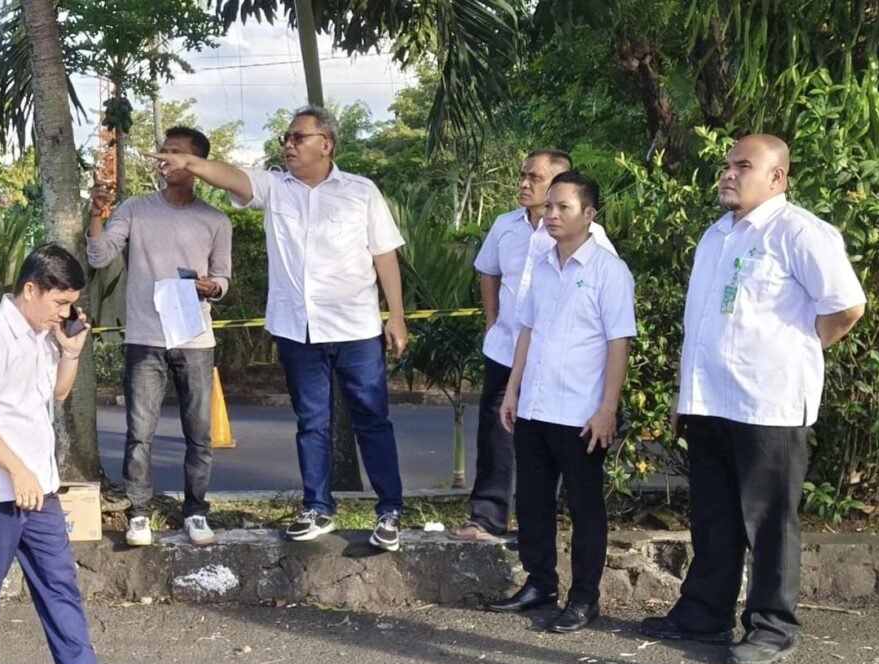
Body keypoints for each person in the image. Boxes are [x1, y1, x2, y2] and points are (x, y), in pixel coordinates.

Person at [640, 134, 866, 664]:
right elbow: (699, 325)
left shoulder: (801, 233)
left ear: (777, 178)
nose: (729, 174)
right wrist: (683, 394)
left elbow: (846, 307)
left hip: (770, 402)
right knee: (714, 515)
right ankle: (704, 612)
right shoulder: (715, 237)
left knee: (769, 520)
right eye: (726, 165)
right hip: (709, 400)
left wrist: (792, 351)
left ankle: (773, 626)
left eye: (743, 165)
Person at [148, 106, 409, 552]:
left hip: (356, 329)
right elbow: (229, 176)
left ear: (325, 144)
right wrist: (189, 162)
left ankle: (389, 511)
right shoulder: (275, 187)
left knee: (372, 419)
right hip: (296, 329)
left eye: (297, 138)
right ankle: (318, 507)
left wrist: (397, 315)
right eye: (285, 139)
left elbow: (384, 255)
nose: (287, 145)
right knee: (311, 422)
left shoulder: (361, 192)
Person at [0, 244, 152, 664]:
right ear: (30, 288)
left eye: (70, 304)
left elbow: (54, 396)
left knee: (58, 578)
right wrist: (16, 470)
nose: (65, 312)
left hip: (39, 484)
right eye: (59, 303)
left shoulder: (41, 336)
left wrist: (71, 352)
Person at [487, 172, 636, 633]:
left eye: (563, 207)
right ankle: (540, 583)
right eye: (549, 206)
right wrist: (512, 392)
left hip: (580, 414)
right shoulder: (543, 263)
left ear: (589, 215)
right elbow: (526, 332)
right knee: (532, 502)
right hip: (534, 406)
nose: (551, 214)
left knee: (586, 507)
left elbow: (619, 343)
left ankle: (585, 597)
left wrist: (607, 409)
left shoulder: (609, 271)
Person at [450, 149, 617, 543]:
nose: (524, 184)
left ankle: (539, 528)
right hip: (506, 348)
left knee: (544, 447)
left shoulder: (591, 240)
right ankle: (487, 516)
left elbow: (604, 304)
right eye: (523, 175)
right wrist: (494, 324)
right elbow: (487, 272)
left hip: (554, 362)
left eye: (535, 178)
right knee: (495, 434)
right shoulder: (505, 226)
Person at [88, 126, 234, 548]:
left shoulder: (215, 219)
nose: (165, 159)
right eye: (164, 151)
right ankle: (138, 513)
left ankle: (196, 511)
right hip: (146, 336)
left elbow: (223, 277)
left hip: (194, 338)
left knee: (199, 435)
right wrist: (96, 213)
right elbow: (99, 255)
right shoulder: (136, 208)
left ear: (197, 164)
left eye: (177, 153)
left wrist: (212, 287)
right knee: (140, 432)